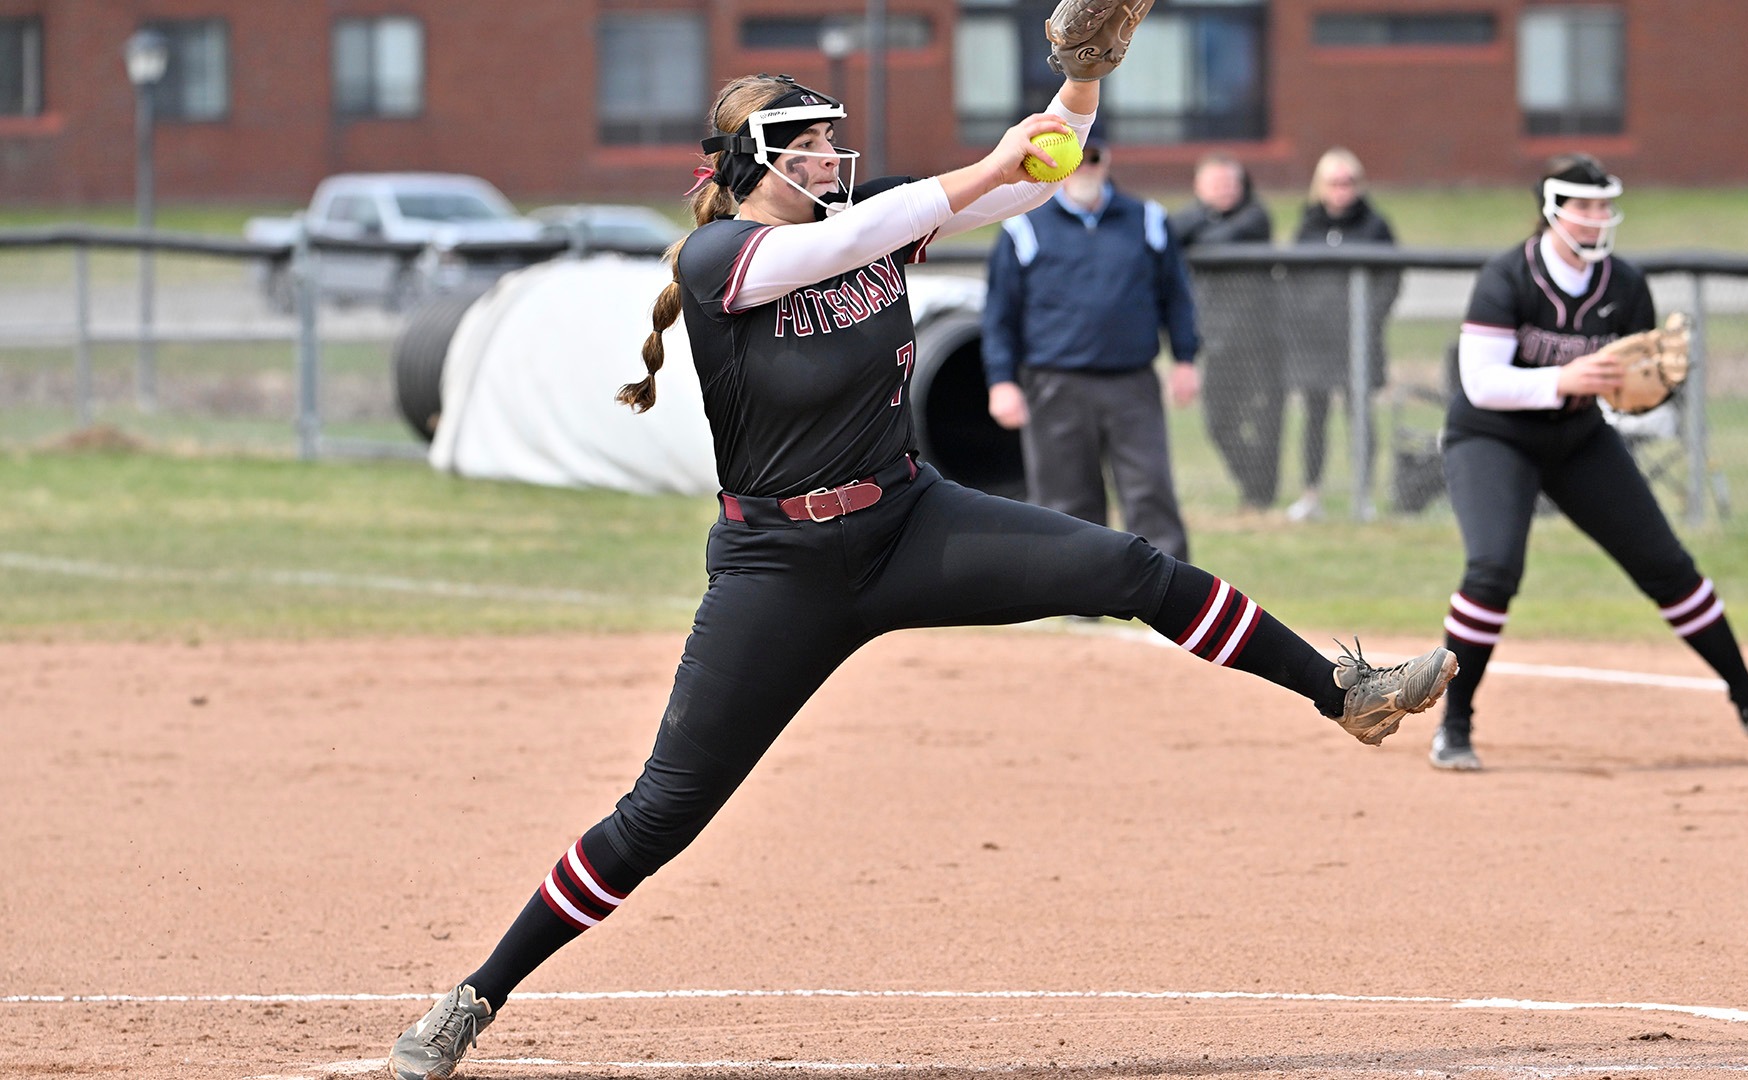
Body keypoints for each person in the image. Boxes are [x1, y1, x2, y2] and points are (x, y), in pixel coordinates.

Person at [384, 62, 1459, 1080]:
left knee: (1132, 566)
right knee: (659, 815)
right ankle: (476, 997)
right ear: (753, 159)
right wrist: (976, 172)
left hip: (907, 522)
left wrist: (1080, 83)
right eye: (806, 145)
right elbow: (872, 230)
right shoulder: (722, 262)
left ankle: (1342, 690)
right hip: (780, 568)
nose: (828, 158)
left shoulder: (862, 226)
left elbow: (1036, 177)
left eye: (827, 145)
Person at [1427, 153, 1748, 772]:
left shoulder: (1626, 286)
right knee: (1493, 569)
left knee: (1668, 567)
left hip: (1577, 435)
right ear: (1551, 209)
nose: (1597, 217)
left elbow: (1632, 395)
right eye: (1584, 206)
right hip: (1493, 436)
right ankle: (1454, 723)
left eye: (1604, 205)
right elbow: (1481, 382)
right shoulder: (1508, 276)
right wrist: (1565, 376)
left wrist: (1650, 394)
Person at [981, 136, 1200, 560]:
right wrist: (1001, 382)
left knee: (1150, 490)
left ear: (1107, 160)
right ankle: (1075, 600)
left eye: (1092, 156)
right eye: (1073, 159)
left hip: (1131, 380)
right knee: (1065, 498)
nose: (1084, 167)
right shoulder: (1024, 226)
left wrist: (1186, 359)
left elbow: (1176, 296)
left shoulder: (1147, 218)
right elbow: (999, 315)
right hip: (1054, 382)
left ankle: (1172, 595)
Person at [1278, 148, 1401, 522]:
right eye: (1334, 182)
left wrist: (1368, 318)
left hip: (1358, 340)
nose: (1341, 190)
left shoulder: (1375, 226)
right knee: (1314, 418)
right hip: (1314, 342)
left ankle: (1362, 495)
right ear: (1321, 185)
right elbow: (1291, 280)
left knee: (1360, 416)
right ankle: (1311, 493)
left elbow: (1390, 281)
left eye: (1348, 182)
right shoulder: (1308, 224)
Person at [1168, 154, 1287, 513]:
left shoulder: (1255, 216)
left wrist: (1200, 227)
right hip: (1215, 340)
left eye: (1230, 185)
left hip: (1260, 340)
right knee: (1218, 422)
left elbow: (1216, 240)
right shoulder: (1192, 216)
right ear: (1198, 188)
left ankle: (1260, 497)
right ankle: (1254, 485)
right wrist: (1204, 217)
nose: (1224, 192)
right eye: (1215, 185)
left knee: (1265, 422)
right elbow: (1169, 233)